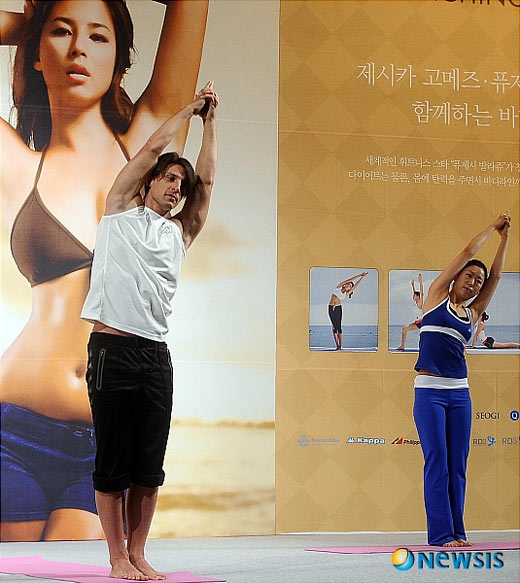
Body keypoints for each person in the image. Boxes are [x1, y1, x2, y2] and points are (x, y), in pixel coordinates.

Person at [0, 0, 208, 541]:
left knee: (76, 565)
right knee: (21, 575)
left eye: (98, 36)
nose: (78, 49)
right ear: (37, 54)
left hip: (104, 432)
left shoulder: (150, 144)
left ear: (119, 58)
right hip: (12, 428)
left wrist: (41, 28)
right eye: (61, 32)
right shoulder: (15, 163)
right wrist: (25, 27)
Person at [81, 81, 218, 581]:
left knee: (148, 464)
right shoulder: (119, 210)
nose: (177, 187)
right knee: (112, 460)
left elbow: (207, 180)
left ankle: (138, 553)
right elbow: (151, 147)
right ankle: (116, 557)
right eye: (169, 178)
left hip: (155, 355)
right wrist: (189, 109)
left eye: (181, 183)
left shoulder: (180, 232)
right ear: (150, 181)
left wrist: (211, 122)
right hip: (111, 349)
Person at [413, 212, 511, 547]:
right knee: (437, 462)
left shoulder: (473, 313)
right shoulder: (436, 298)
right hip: (429, 393)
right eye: (469, 276)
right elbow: (468, 252)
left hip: (459, 393)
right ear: (456, 278)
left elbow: (497, 277)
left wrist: (505, 240)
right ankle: (441, 534)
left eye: (478, 281)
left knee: (458, 465)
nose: (474, 282)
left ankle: (458, 532)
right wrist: (492, 228)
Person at [328, 272, 368, 350]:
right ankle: (337, 346)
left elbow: (356, 286)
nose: (348, 286)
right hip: (330, 308)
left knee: (339, 328)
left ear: (350, 289)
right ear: (344, 284)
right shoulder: (339, 287)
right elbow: (350, 279)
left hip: (338, 308)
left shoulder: (346, 294)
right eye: (348, 284)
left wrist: (362, 277)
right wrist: (359, 275)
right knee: (334, 327)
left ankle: (340, 346)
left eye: (350, 286)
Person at [396, 273, 424, 351]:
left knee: (421, 336)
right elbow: (415, 293)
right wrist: (413, 286)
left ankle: (422, 348)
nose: (413, 296)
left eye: (414, 296)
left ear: (418, 297)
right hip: (417, 322)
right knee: (404, 329)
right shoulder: (416, 303)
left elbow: (421, 293)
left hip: (421, 322)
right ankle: (402, 346)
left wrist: (420, 281)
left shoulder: (420, 303)